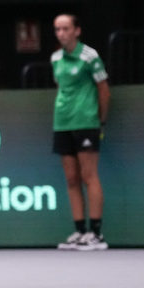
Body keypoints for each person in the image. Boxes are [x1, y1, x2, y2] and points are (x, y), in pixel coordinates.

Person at [51, 14, 110, 251]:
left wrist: (101, 120)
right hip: (62, 123)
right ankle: (79, 231)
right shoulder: (55, 58)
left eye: (66, 28)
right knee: (71, 179)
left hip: (86, 121)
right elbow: (62, 89)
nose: (61, 33)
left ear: (77, 30)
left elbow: (104, 90)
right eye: (57, 29)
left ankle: (96, 234)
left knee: (89, 176)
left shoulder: (90, 56)